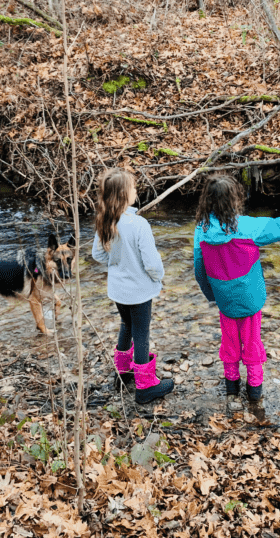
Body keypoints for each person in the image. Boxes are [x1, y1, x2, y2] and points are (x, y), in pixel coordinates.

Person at [193, 175, 280, 401]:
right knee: (252, 342)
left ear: (206, 200)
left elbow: (199, 268)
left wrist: (210, 295)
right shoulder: (247, 227)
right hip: (251, 299)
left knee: (229, 341)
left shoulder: (200, 231)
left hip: (224, 300)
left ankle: (232, 387)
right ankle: (254, 391)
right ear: (234, 200)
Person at [91, 168, 174, 404]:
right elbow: (152, 263)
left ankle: (123, 372)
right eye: (133, 188)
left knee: (126, 324)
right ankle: (145, 386)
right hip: (139, 291)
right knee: (141, 333)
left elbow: (97, 255)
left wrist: (117, 264)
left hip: (118, 289)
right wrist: (157, 277)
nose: (136, 191)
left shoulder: (105, 219)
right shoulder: (139, 224)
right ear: (123, 194)